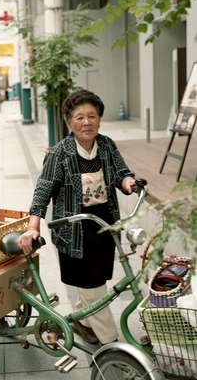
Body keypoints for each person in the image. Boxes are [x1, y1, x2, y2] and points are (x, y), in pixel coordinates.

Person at [18, 89, 136, 346]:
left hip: (104, 225)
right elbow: (43, 190)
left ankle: (81, 322)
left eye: (92, 116)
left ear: (99, 119)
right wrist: (32, 226)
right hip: (73, 230)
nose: (86, 122)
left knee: (96, 279)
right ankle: (112, 344)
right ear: (69, 122)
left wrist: (127, 181)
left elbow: (120, 171)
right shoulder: (60, 153)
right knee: (93, 287)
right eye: (79, 117)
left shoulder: (106, 145)